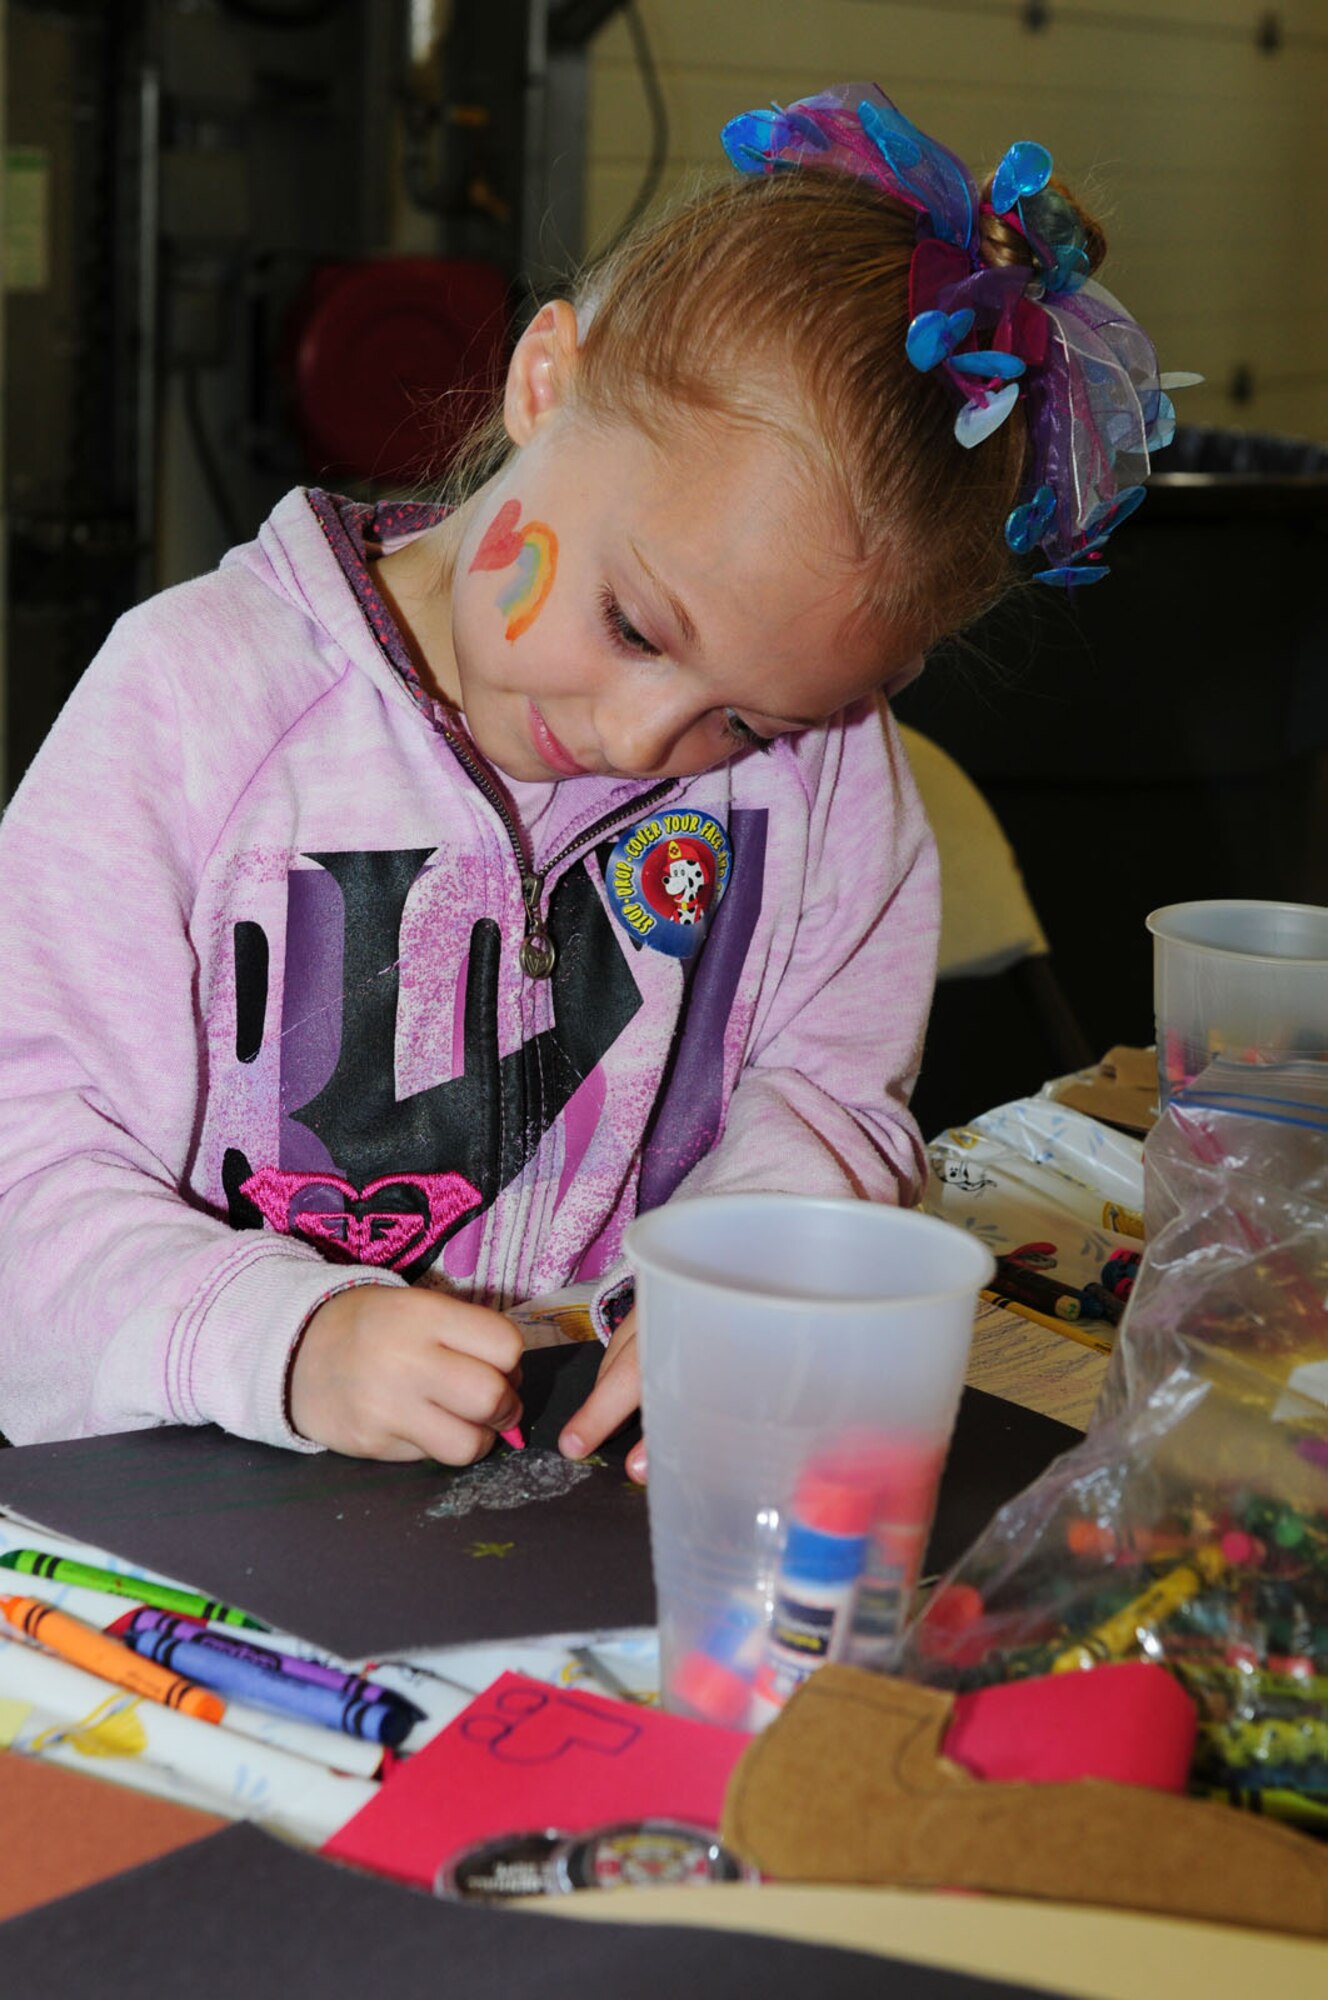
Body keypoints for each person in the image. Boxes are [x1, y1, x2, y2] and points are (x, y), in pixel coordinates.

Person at [0, 84, 1174, 1472]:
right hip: (192, 1474)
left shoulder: (829, 766)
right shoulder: (193, 707)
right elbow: (26, 1187)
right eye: (632, 626)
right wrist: (286, 1341)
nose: (639, 742)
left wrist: (746, 1276)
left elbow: (826, 1095)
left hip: (592, 1502)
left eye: (739, 720)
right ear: (545, 379)